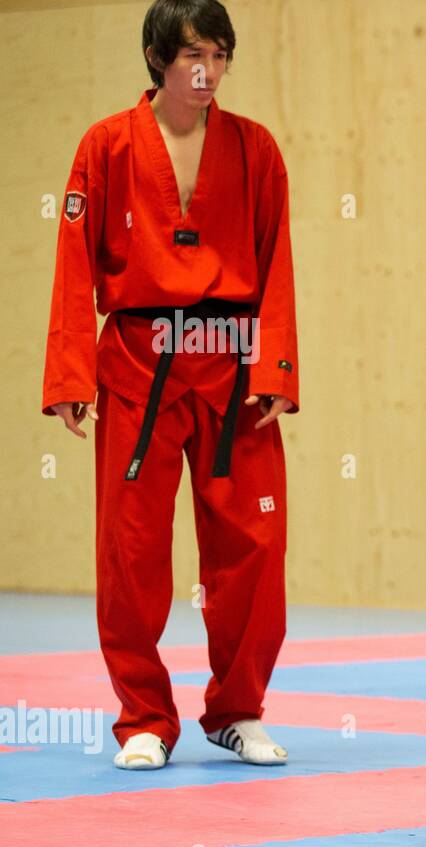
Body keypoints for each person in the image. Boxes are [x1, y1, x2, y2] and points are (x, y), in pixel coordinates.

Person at [42, 0, 298, 769]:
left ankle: (237, 709)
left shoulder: (255, 149)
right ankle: (145, 716)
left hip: (231, 366)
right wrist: (68, 374)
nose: (207, 71)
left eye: (219, 56)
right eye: (193, 55)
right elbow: (74, 261)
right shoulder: (106, 145)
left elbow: (276, 257)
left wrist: (276, 367)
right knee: (131, 548)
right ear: (158, 58)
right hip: (135, 365)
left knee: (255, 542)